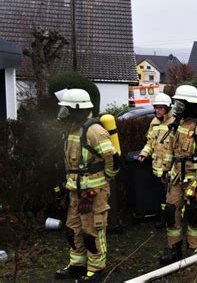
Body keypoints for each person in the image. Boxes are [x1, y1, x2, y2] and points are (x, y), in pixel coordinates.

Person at [55, 89, 120, 282]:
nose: (63, 113)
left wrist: (105, 178)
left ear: (77, 109)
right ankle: (77, 265)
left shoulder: (94, 130)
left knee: (92, 230)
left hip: (94, 192)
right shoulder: (73, 129)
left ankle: (96, 269)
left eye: (66, 109)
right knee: (73, 228)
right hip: (75, 190)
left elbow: (113, 159)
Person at [159, 85, 197, 265]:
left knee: (193, 216)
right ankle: (174, 249)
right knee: (171, 212)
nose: (176, 107)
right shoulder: (176, 124)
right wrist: (166, 169)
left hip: (194, 179)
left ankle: (193, 251)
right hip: (176, 178)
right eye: (176, 103)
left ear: (190, 104)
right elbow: (170, 149)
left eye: (180, 103)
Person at [137, 92, 174, 228]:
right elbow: (150, 143)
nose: (157, 110)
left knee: (170, 195)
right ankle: (163, 217)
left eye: (160, 108)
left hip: (169, 168)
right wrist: (144, 154)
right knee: (161, 195)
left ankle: (170, 219)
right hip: (156, 167)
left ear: (168, 108)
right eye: (156, 107)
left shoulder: (174, 123)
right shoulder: (154, 122)